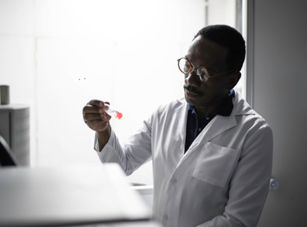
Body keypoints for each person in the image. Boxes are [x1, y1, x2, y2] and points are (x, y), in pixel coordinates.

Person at [82, 25, 273, 227]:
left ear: (231, 80)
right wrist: (103, 131)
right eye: (188, 66)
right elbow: (123, 165)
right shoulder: (164, 115)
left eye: (204, 73)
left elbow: (238, 221)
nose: (190, 79)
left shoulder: (254, 133)